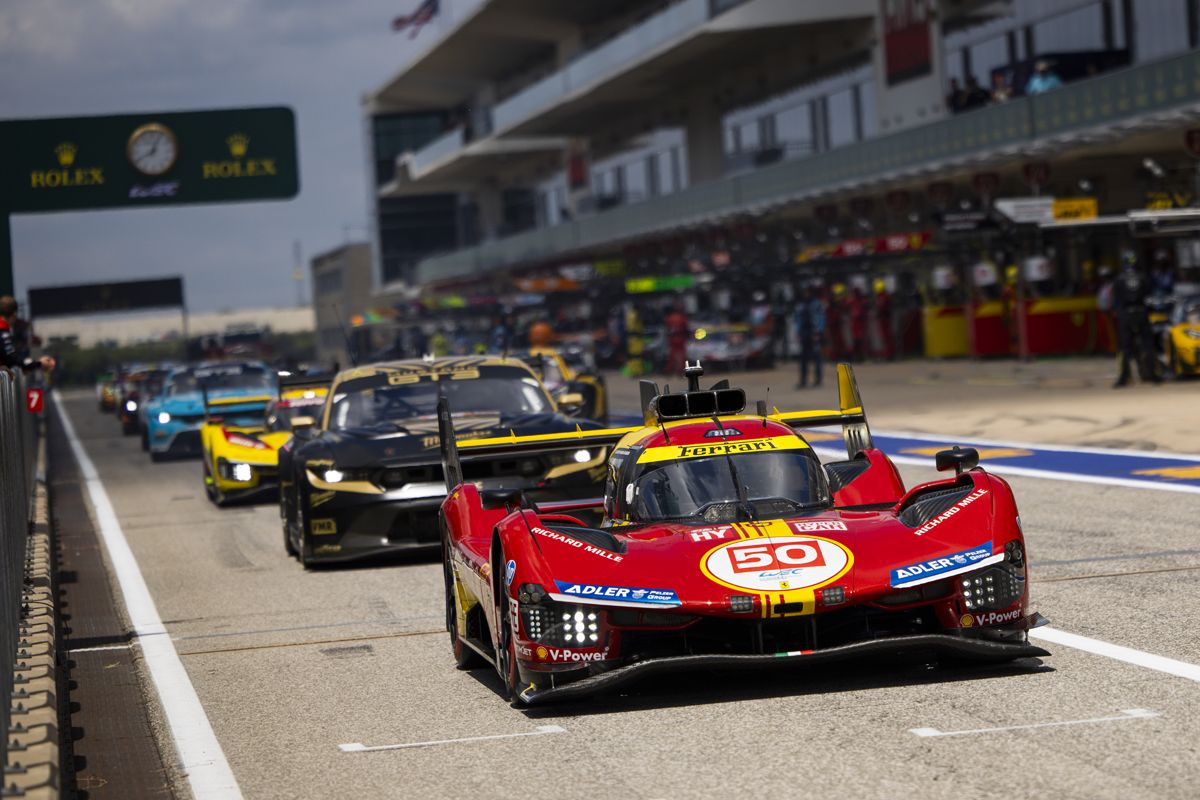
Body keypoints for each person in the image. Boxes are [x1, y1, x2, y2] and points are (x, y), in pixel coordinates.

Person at [1112, 254, 1160, 387]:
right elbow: (1149, 298)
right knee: (1148, 345)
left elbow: (1116, 302)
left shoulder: (1119, 279)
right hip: (1142, 313)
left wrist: (1120, 314)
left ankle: (1124, 378)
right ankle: (1153, 375)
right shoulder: (1143, 277)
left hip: (1126, 315)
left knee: (1125, 347)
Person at [1, 296, 54, 373]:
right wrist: (39, 363)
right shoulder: (3, 332)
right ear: (14, 314)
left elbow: (9, 359)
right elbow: (13, 359)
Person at [794, 286, 825, 389]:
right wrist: (798, 333)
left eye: (807, 292)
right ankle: (803, 380)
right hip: (804, 333)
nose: (805, 294)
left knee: (816, 357)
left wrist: (818, 332)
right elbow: (798, 319)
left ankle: (818, 379)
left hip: (814, 332)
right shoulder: (801, 305)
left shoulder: (816, 304)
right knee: (803, 359)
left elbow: (821, 318)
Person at [664, 303, 689, 375]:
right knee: (682, 354)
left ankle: (669, 370)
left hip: (672, 338)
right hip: (680, 337)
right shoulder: (682, 317)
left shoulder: (669, 318)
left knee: (671, 354)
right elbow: (686, 328)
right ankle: (681, 369)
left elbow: (667, 329)